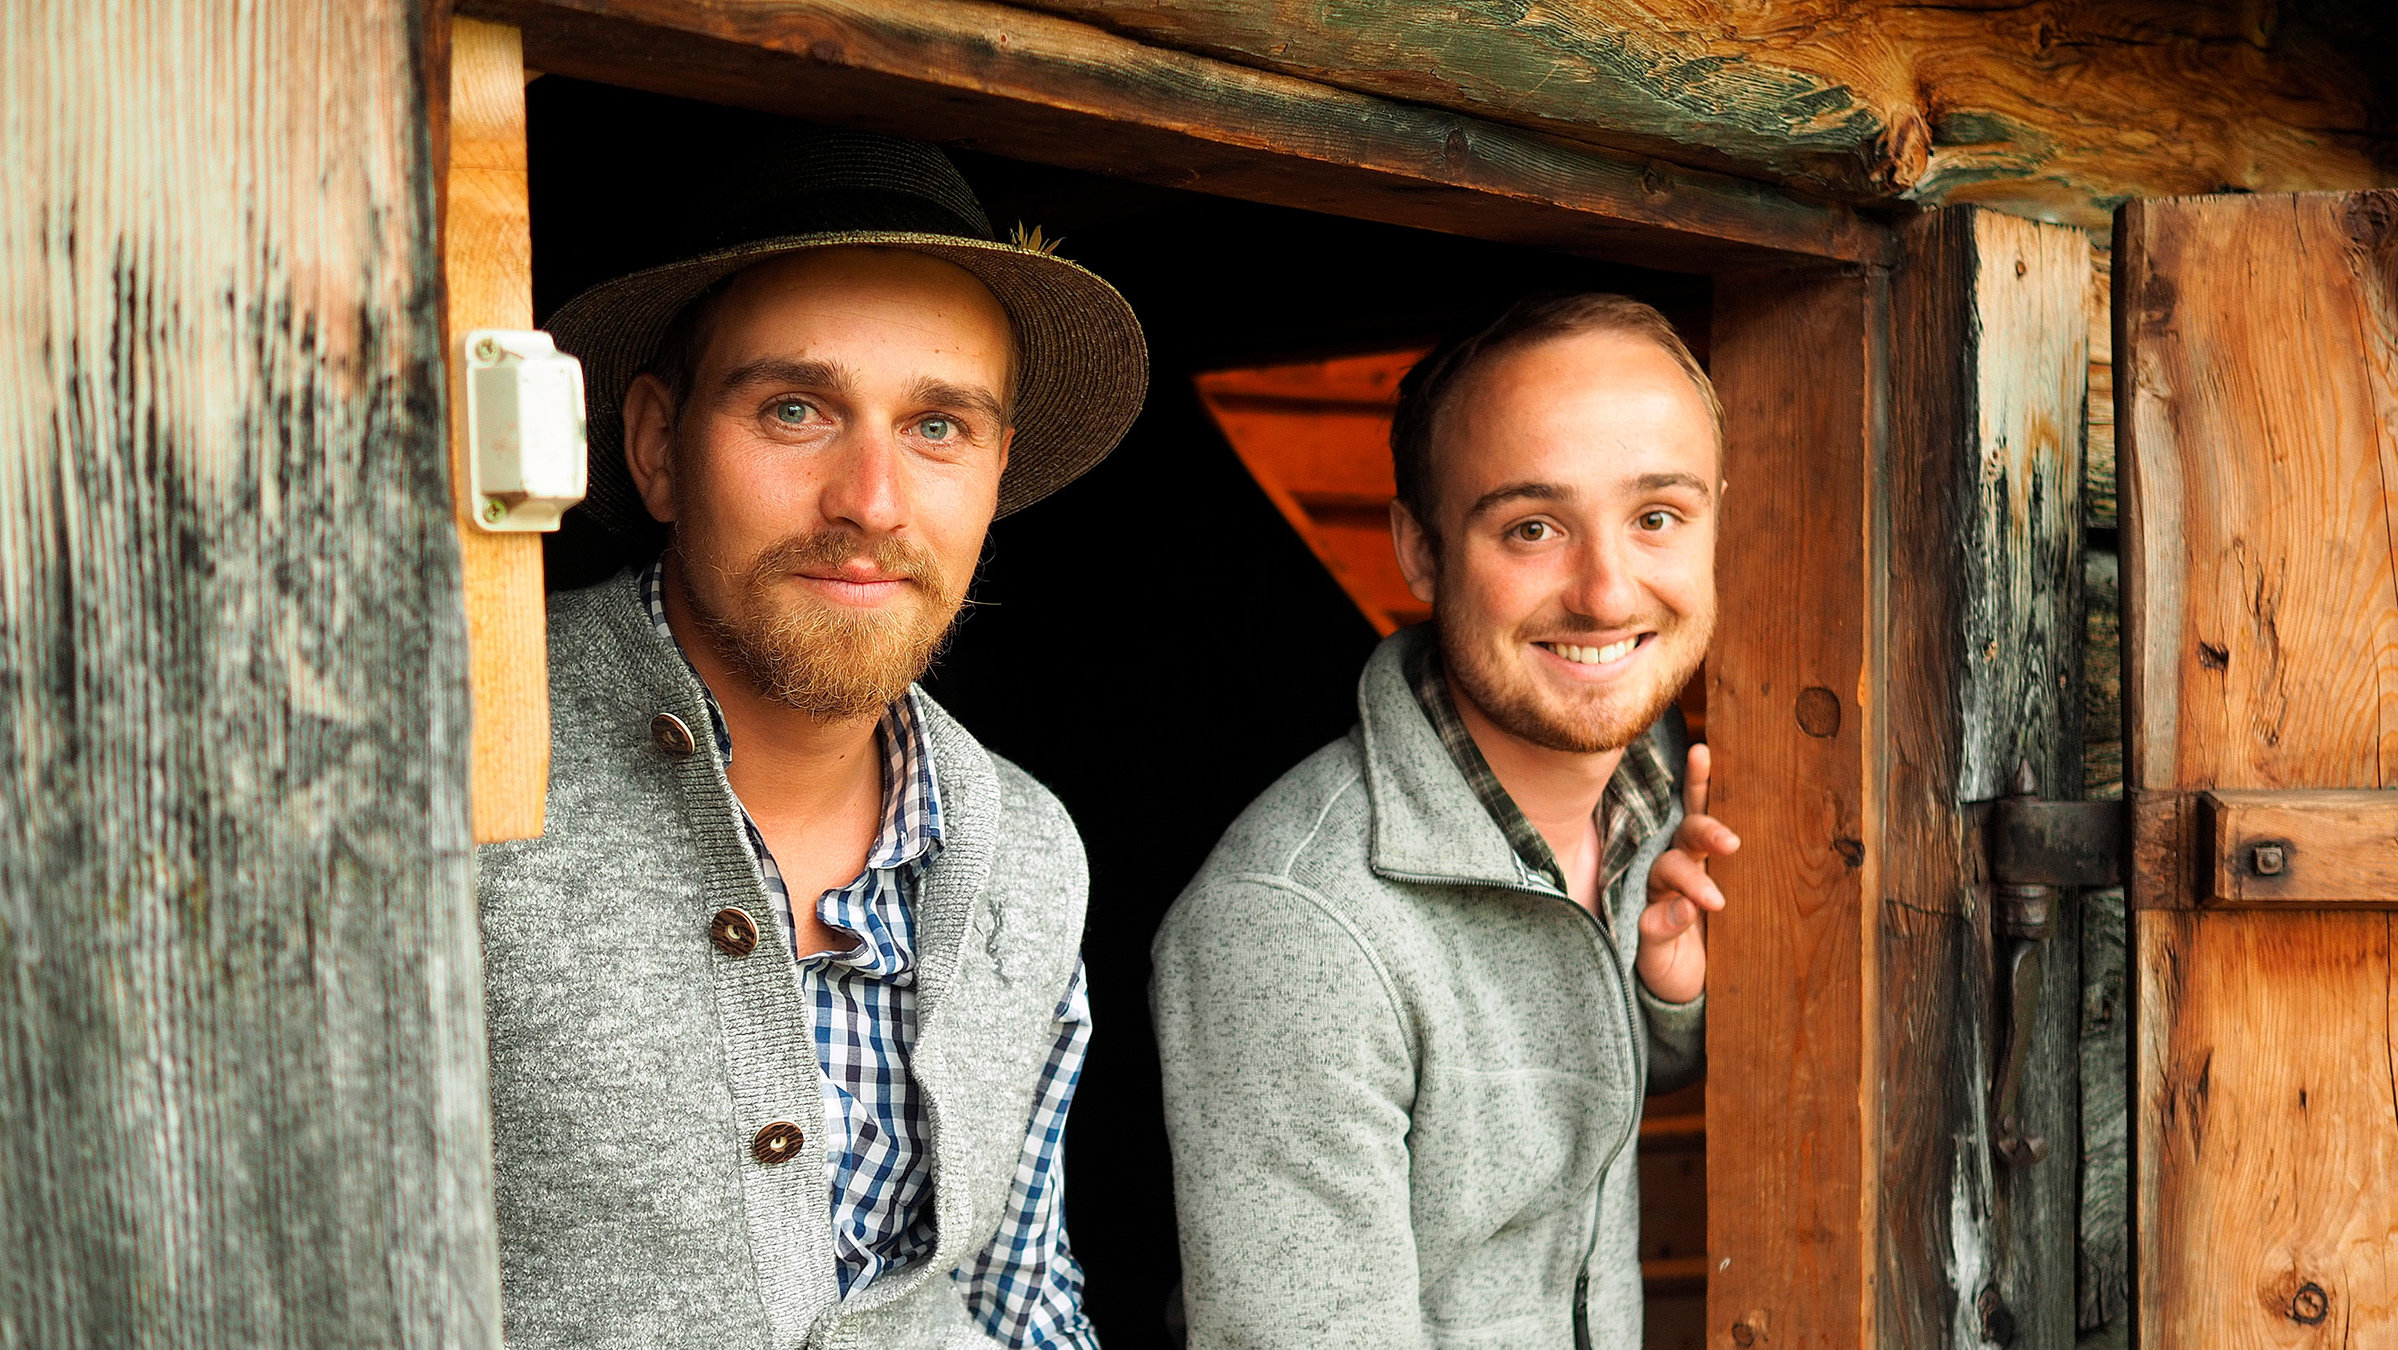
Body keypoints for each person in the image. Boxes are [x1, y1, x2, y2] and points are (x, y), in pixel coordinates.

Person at [477, 131, 1146, 1350]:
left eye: (939, 427)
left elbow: (1021, 1291)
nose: (873, 501)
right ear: (655, 448)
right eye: (796, 408)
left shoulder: (1026, 850)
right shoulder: (456, 755)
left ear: (996, 471)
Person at [1151, 293, 1737, 1349]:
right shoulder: (1294, 929)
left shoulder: (1657, 777)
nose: (1606, 593)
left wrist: (1667, 1002)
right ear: (1419, 552)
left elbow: (1547, 1094)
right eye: (1532, 528)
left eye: (1655, 517)